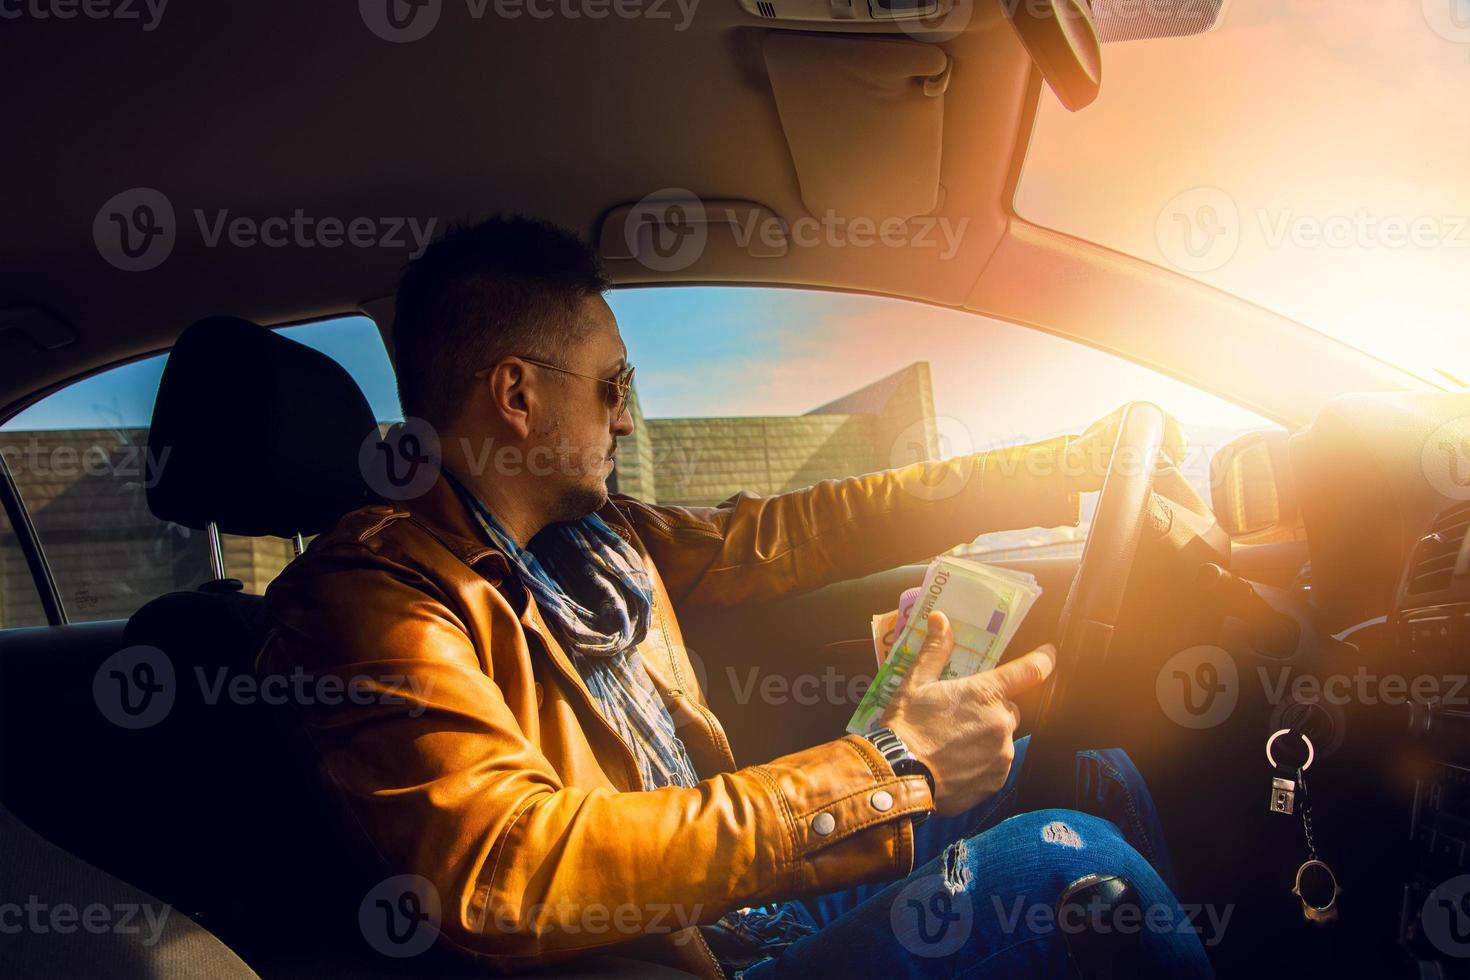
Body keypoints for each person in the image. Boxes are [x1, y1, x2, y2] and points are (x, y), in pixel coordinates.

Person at [259, 215, 1210, 978]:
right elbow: (509, 866)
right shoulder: (374, 600)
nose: (626, 413)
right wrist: (887, 763)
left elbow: (801, 528)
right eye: (612, 383)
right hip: (657, 960)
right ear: (517, 394)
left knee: (1090, 770)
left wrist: (1066, 466)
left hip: (729, 915)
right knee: (1063, 864)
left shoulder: (597, 543)